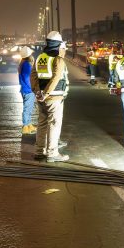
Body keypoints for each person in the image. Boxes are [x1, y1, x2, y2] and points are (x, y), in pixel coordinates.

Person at [35, 31, 70, 162]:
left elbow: (33, 76)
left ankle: (39, 151)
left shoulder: (40, 58)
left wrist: (38, 92)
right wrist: (46, 93)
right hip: (53, 98)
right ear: (58, 45)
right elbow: (56, 78)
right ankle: (52, 153)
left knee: (42, 123)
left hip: (41, 97)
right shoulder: (58, 59)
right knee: (54, 124)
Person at [17, 46, 36, 135]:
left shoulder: (22, 63)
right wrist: (33, 87)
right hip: (28, 90)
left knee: (29, 108)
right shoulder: (27, 65)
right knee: (27, 109)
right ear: (29, 56)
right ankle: (25, 126)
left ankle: (29, 124)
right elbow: (27, 78)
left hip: (25, 89)